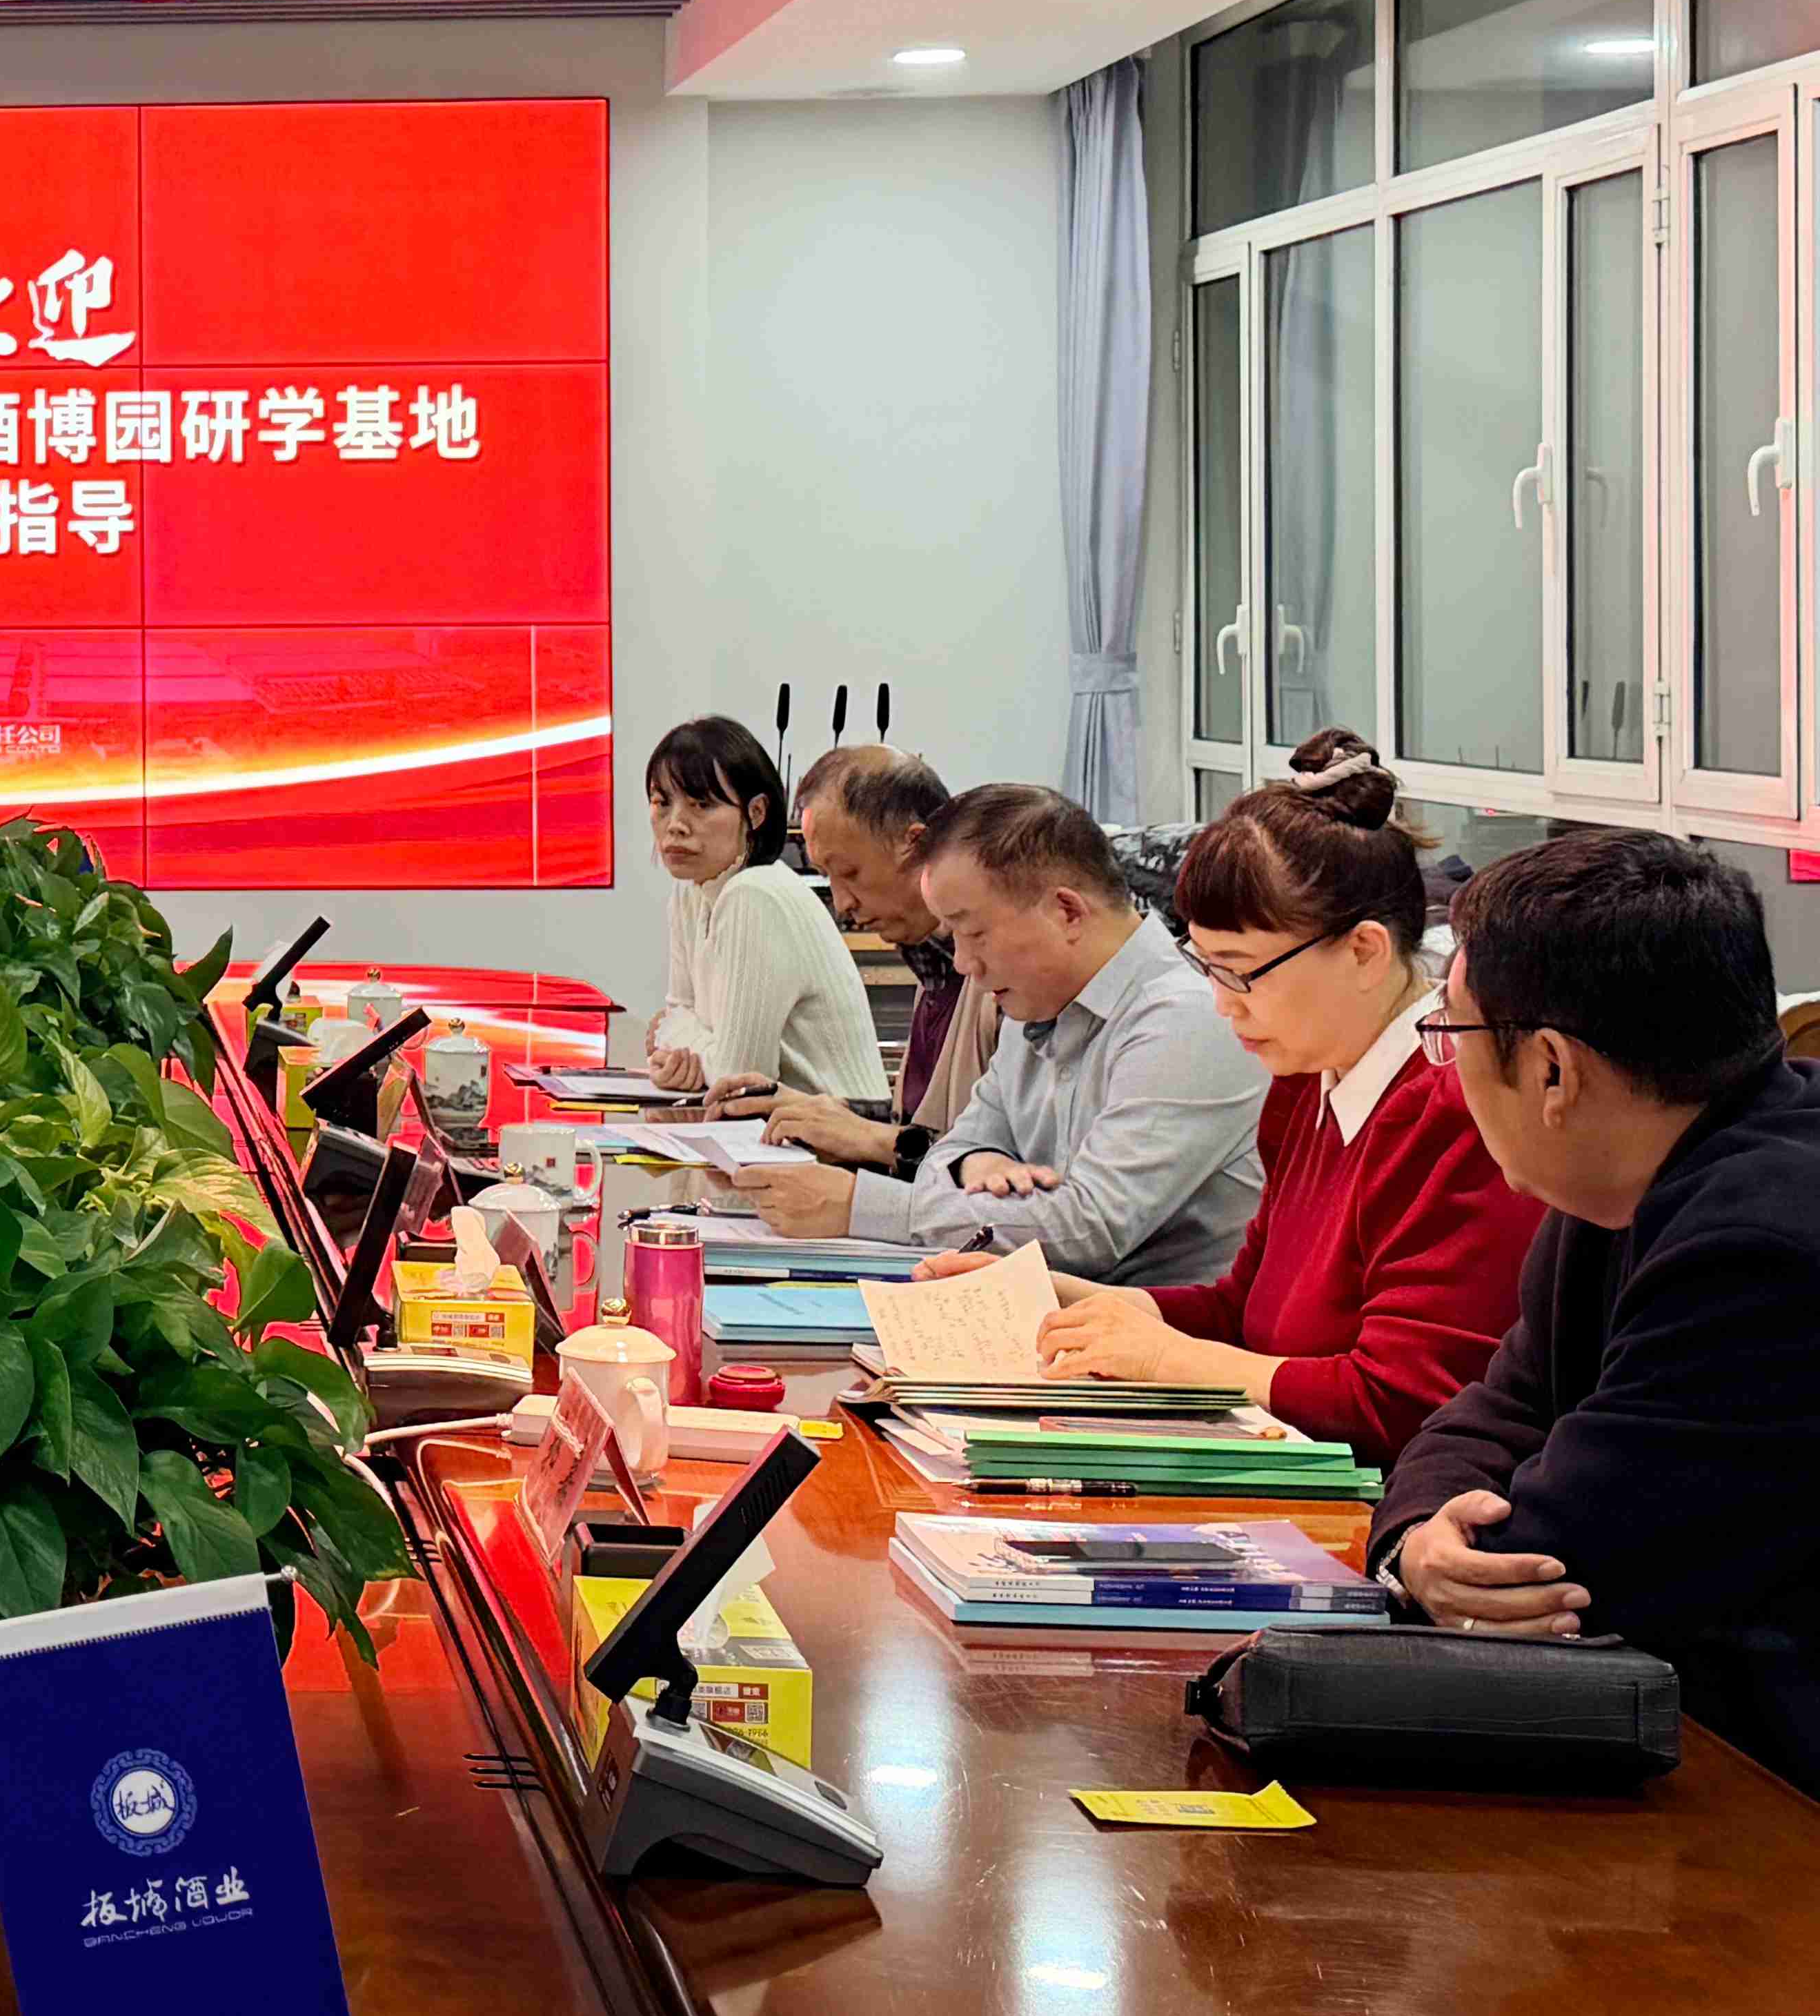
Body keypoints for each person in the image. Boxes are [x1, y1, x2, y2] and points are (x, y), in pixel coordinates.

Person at [911, 733, 1536, 1463]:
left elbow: (1403, 1400)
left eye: (1240, 972)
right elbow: (1242, 1311)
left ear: (1364, 952)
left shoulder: (1458, 1108)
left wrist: (1167, 1358)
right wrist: (1051, 1297)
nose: (1221, 1003)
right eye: (1207, 968)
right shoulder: (1309, 1084)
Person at [1372, 831, 1820, 1788]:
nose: (1444, 1072)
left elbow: (1564, 1564)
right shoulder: (1623, 1185)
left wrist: (1447, 1555)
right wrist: (1414, 1544)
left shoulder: (1765, 1246)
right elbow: (1492, 1410)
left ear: (1552, 1071)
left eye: (1451, 1036)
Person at [733, 782, 1265, 1285]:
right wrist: (977, 1161)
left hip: (1160, 1336)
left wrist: (859, 1206)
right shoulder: (1036, 1005)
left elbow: (1090, 1227)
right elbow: (948, 1153)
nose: (963, 964)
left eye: (975, 933)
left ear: (1067, 911)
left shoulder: (1186, 1019)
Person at [711, 746, 1000, 1179]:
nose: (842, 903)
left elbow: (1006, 1169)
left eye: (850, 873)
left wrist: (868, 1138)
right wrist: (819, 1113)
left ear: (917, 843)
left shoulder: (1004, 980)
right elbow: (922, 1127)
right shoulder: (932, 965)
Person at [637, 714, 888, 1102]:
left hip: (842, 1128)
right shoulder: (690, 894)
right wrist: (685, 1042)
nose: (676, 825)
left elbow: (739, 1077)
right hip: (772, 1125)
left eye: (701, 804)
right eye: (661, 803)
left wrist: (675, 1038)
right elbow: (678, 1012)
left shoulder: (755, 894)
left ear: (755, 813)